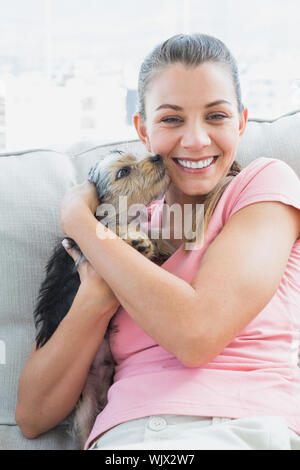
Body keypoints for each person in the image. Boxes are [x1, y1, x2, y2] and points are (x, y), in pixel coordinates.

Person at [15, 34, 300, 450]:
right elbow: (33, 415)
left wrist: (79, 222)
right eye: (171, 119)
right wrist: (98, 287)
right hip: (125, 441)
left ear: (240, 122)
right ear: (143, 131)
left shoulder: (262, 189)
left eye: (216, 116)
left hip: (242, 428)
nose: (196, 140)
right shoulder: (120, 234)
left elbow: (196, 336)